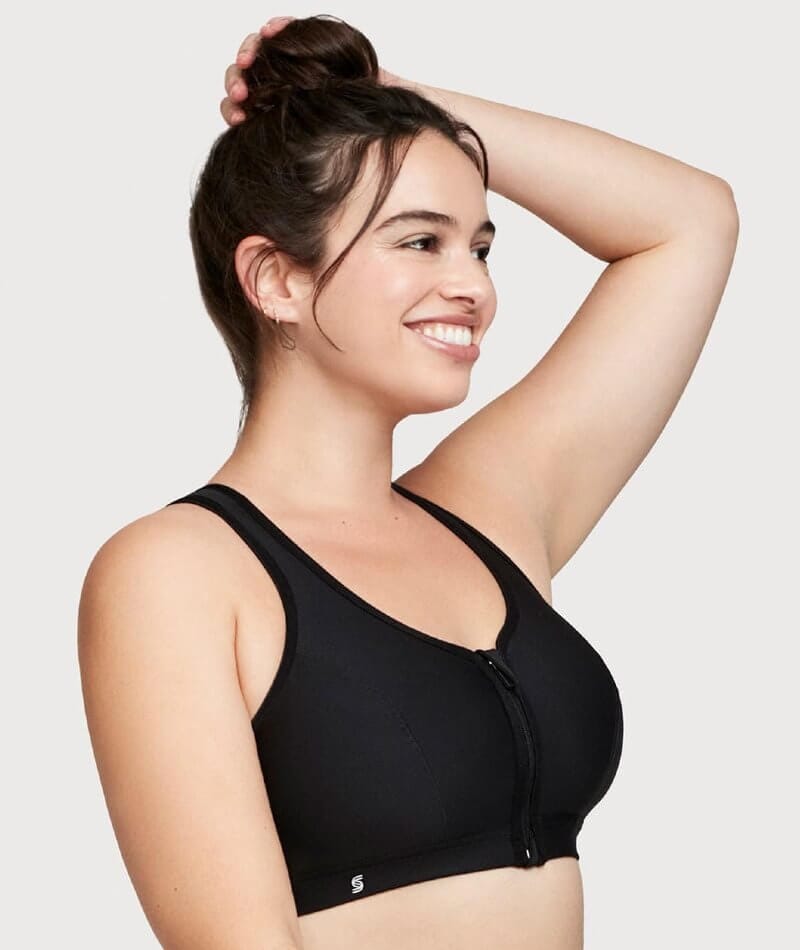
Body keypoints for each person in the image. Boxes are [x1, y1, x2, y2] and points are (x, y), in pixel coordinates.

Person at [77, 13, 739, 950]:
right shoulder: (177, 572)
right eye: (420, 242)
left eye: (481, 247)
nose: (474, 286)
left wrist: (388, 103)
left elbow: (692, 220)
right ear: (276, 279)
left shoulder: (487, 511)